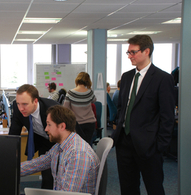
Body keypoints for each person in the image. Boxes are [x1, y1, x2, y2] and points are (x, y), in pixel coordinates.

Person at [111, 35, 175, 195]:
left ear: (147, 51)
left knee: (154, 188)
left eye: (133, 52)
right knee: (128, 188)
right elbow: (121, 108)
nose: (129, 56)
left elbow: (167, 116)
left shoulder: (163, 78)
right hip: (123, 142)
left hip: (149, 145)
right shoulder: (126, 77)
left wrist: (160, 146)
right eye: (128, 52)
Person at [21, 105, 99, 194]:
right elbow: (39, 163)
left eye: (49, 124)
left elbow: (67, 193)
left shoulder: (78, 154)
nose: (46, 129)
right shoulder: (60, 145)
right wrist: (12, 169)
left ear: (62, 126)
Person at [9, 84, 59, 189]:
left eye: (25, 104)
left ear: (35, 101)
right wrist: (7, 157)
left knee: (57, 177)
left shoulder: (53, 109)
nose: (21, 108)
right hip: (43, 142)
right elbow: (14, 133)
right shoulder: (18, 108)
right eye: (18, 103)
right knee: (46, 177)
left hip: (59, 143)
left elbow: (69, 132)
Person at [63, 72, 97, 145]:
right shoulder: (90, 92)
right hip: (90, 123)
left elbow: (65, 109)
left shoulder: (70, 93)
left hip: (77, 124)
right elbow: (94, 100)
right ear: (88, 81)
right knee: (88, 146)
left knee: (78, 146)